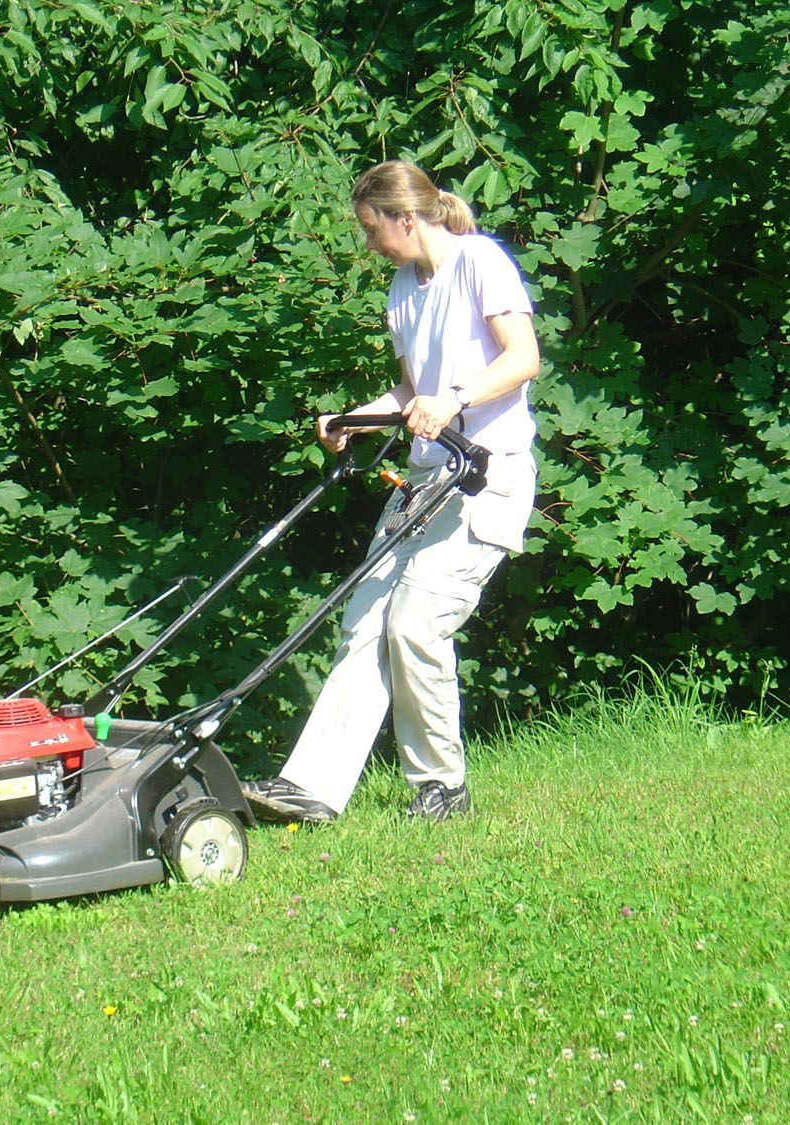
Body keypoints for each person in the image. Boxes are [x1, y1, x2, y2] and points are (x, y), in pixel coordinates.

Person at [243, 159, 540, 824]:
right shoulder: (403, 289)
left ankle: (441, 787)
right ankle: (312, 787)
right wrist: (351, 419)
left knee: (415, 624)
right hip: (425, 478)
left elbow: (523, 358)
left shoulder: (479, 262)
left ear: (406, 218)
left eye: (372, 228)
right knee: (365, 623)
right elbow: (410, 392)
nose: (369, 242)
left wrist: (455, 398)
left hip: (485, 476)